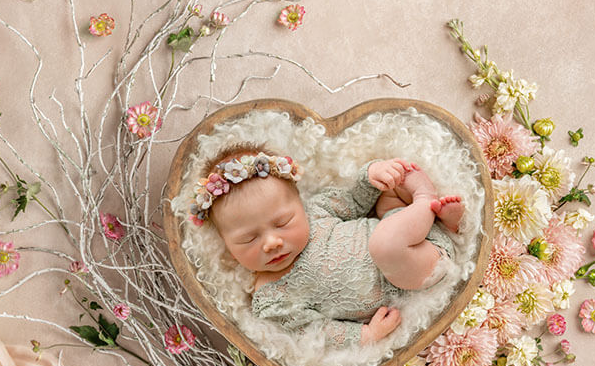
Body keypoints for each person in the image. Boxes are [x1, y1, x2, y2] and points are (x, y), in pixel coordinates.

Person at [189, 147, 462, 347]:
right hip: (416, 269)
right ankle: (427, 203)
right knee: (385, 245)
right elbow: (315, 331)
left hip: (400, 227)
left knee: (391, 187)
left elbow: (356, 201)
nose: (272, 243)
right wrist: (364, 336)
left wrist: (371, 176)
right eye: (249, 239)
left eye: (283, 222)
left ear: (299, 204)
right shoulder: (271, 299)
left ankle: (432, 213)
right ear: (227, 246)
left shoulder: (316, 211)